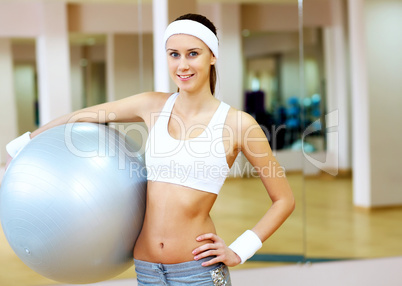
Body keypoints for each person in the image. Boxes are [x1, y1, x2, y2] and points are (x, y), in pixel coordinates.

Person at [5, 13, 295, 286]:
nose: (182, 65)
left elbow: (283, 199)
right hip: (146, 268)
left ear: (213, 56)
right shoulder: (152, 105)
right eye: (174, 54)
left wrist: (240, 249)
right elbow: (81, 116)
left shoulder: (238, 124)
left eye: (193, 53)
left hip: (197, 271)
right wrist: (22, 145)